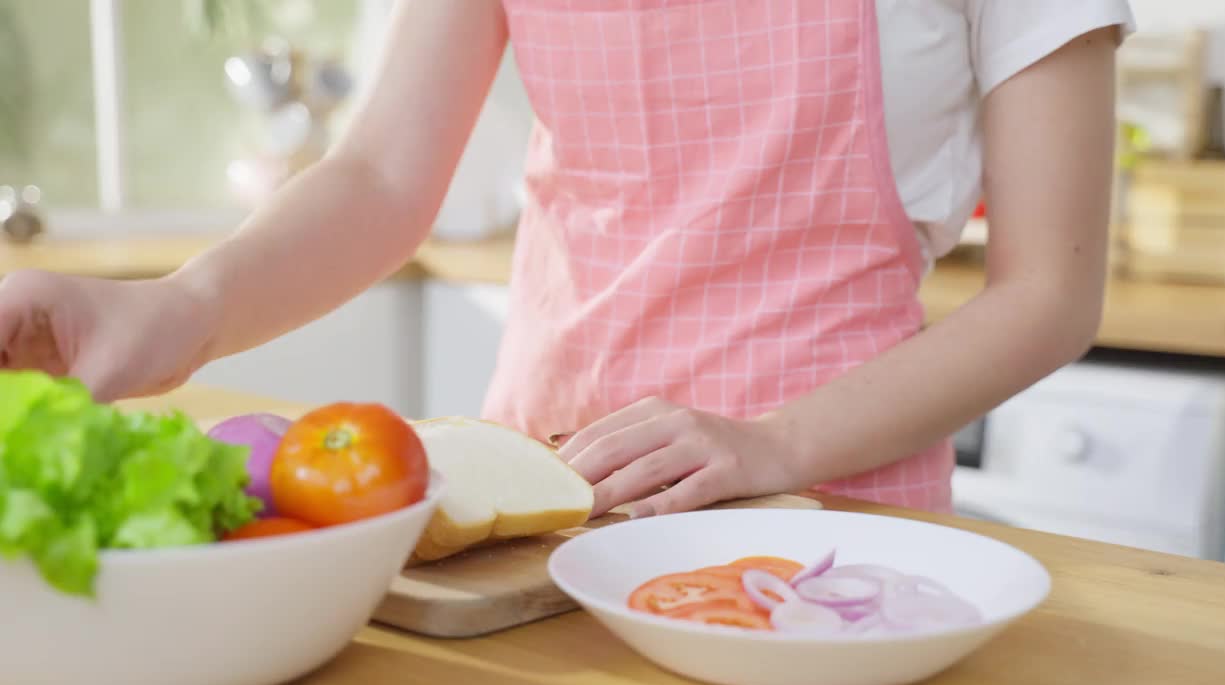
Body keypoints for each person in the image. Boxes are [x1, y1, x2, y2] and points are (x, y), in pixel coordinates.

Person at [0, 0, 1135, 520]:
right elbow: (382, 179)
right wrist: (177, 310)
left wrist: (772, 446)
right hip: (546, 493)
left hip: (832, 513)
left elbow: (1045, 294)